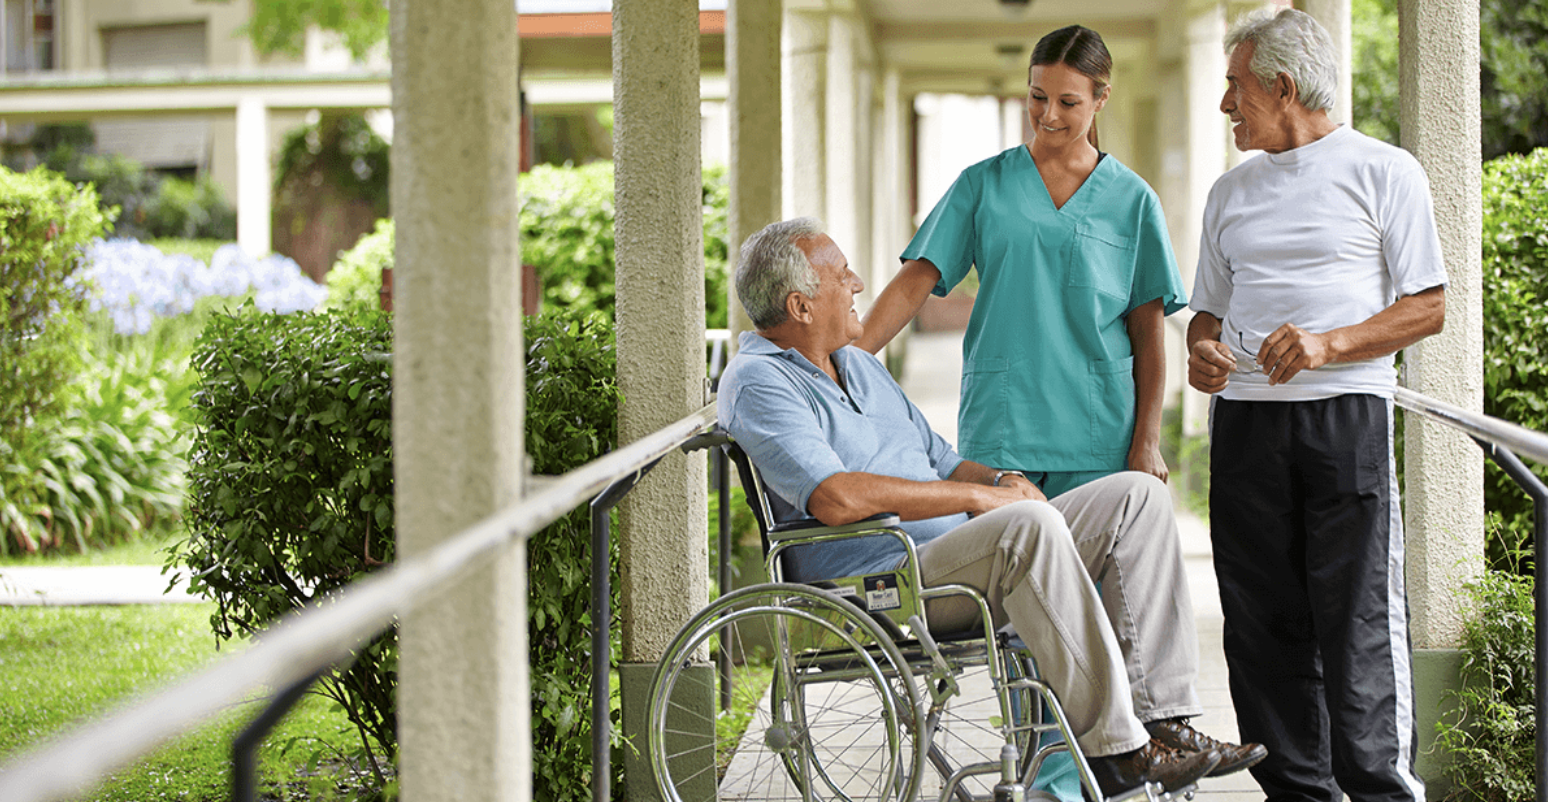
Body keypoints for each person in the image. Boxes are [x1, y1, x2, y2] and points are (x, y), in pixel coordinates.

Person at [720, 217, 1266, 797]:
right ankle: (1117, 752)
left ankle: (1164, 722)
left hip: (954, 558)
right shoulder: (759, 382)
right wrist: (981, 499)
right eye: (841, 275)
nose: (857, 284)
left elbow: (944, 460)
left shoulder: (856, 364)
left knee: (1139, 497)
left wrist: (1001, 479)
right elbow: (835, 497)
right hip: (881, 583)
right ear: (801, 306)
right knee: (1023, 526)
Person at [1185, 9, 1448, 802]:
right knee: (1261, 625)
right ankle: (1299, 794)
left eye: (1236, 87)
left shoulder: (1386, 171)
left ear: (1282, 86)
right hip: (1245, 427)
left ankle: (1377, 791)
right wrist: (1201, 350)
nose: (1226, 104)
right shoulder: (1229, 192)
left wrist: (1330, 344)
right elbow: (1206, 311)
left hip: (1345, 420)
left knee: (1355, 618)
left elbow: (1428, 307)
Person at [856, 25, 1186, 500]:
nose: (1047, 115)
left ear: (1101, 98)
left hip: (1098, 433)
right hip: (1002, 428)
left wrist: (1147, 441)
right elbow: (916, 282)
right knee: (1002, 567)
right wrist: (845, 361)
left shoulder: (1133, 200)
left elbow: (1148, 333)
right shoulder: (982, 185)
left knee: (1088, 573)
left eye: (1068, 102)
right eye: (1037, 96)